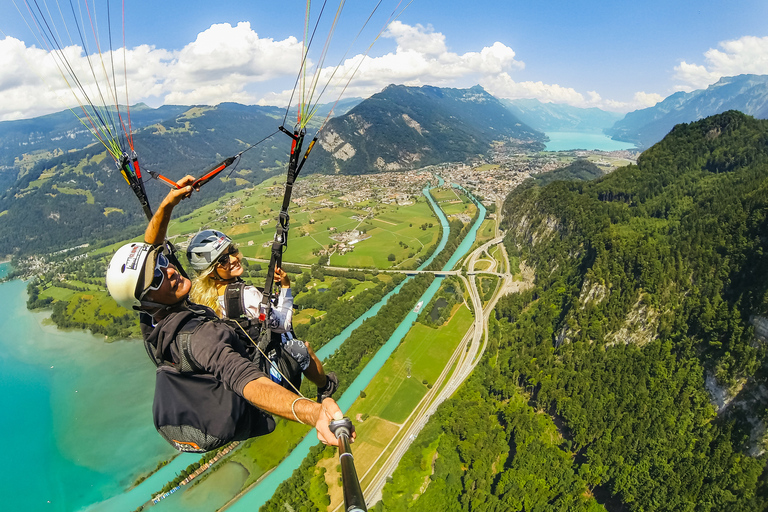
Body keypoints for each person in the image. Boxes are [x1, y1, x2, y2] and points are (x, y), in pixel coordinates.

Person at [105, 175, 350, 451]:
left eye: (163, 263)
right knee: (300, 348)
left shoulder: (153, 322)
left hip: (208, 395)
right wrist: (314, 413)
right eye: (157, 278)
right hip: (255, 387)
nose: (170, 272)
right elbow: (246, 380)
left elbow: (152, 249)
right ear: (146, 301)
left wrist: (167, 205)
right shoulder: (201, 336)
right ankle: (326, 387)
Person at [186, 229, 337, 400]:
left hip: (236, 370)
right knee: (303, 348)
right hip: (263, 370)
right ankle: (326, 387)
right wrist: (286, 287)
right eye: (223, 260)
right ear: (211, 271)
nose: (235, 259)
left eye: (232, 250)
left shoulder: (199, 300)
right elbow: (283, 324)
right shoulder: (246, 294)